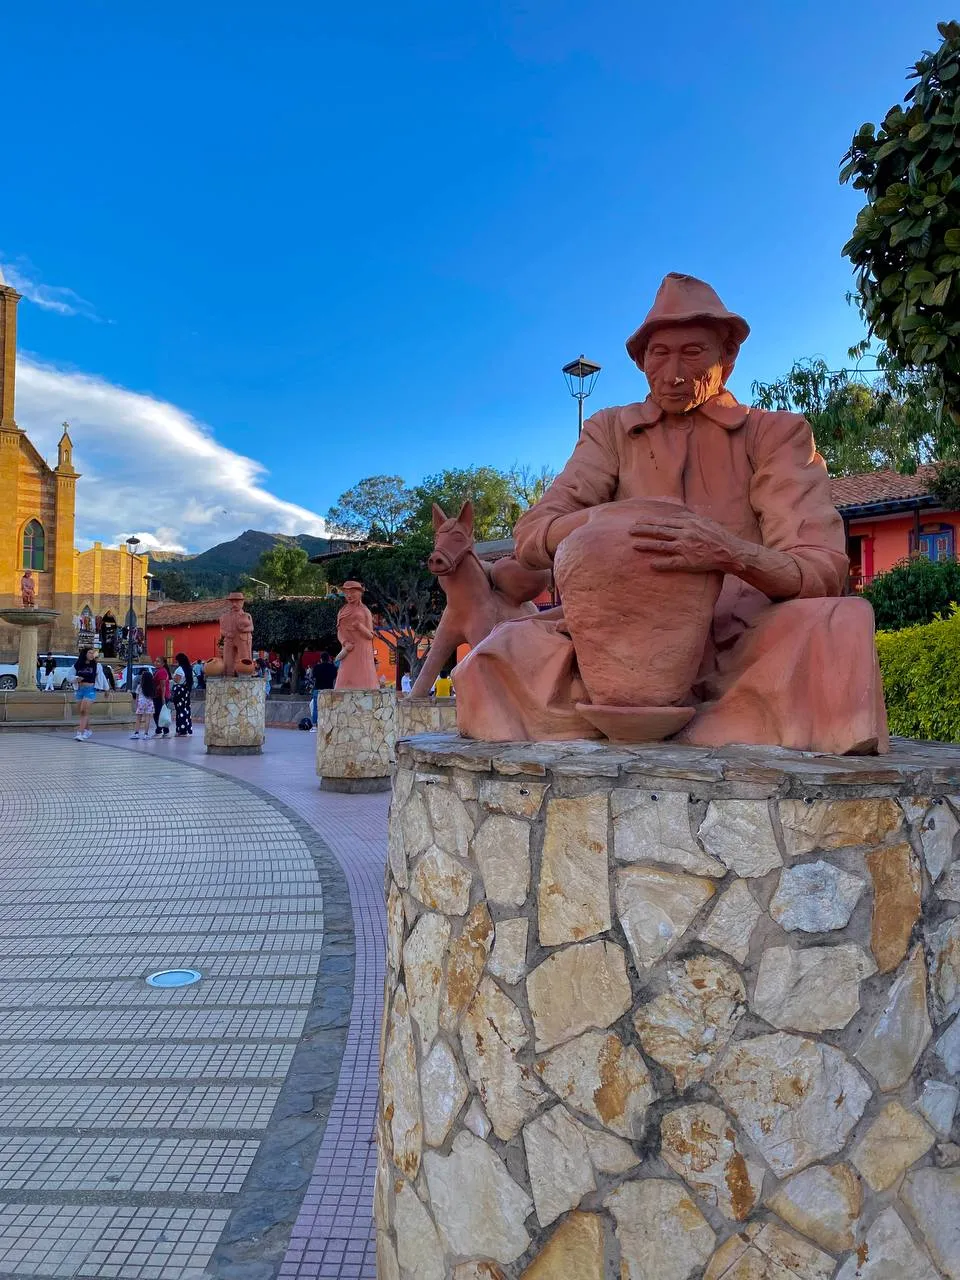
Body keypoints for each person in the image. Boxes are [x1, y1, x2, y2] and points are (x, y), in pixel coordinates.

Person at [455, 273, 888, 754]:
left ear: (727, 357)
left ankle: (725, 719)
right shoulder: (611, 431)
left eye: (693, 353)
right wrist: (605, 522)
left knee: (842, 624)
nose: (674, 373)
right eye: (660, 355)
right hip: (614, 637)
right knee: (493, 659)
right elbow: (532, 534)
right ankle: (717, 721)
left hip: (741, 637)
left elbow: (820, 568)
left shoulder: (774, 434)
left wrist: (729, 553)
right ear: (641, 362)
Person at [73, 646, 98, 740]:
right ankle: (88, 730)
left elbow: (98, 676)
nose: (92, 655)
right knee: (82, 712)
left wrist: (106, 688)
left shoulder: (94, 664)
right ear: (85, 654)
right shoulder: (78, 664)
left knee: (84, 710)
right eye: (90, 653)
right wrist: (76, 678)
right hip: (80, 689)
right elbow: (71, 674)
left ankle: (80, 732)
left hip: (90, 689)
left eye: (93, 653)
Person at [310, 651, 338, 726]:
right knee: (329, 707)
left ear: (321, 659)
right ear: (329, 658)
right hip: (329, 690)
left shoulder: (316, 667)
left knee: (316, 707)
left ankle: (315, 725)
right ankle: (327, 724)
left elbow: (313, 677)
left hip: (318, 689)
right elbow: (335, 678)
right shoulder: (333, 668)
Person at [172, 652, 193, 736]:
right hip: (186, 691)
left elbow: (177, 680)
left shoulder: (180, 669)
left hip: (179, 691)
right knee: (186, 710)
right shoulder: (188, 668)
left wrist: (173, 677)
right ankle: (186, 728)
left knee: (180, 711)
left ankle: (181, 730)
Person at [131, 668, 156, 740]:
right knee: (147, 719)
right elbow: (153, 696)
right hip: (149, 702)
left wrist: (136, 705)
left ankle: (136, 733)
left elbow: (137, 696)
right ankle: (146, 734)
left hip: (141, 702)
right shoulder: (152, 687)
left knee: (138, 718)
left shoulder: (140, 686)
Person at [153, 659, 171, 737]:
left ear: (163, 663)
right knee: (160, 713)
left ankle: (160, 730)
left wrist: (163, 697)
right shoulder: (159, 671)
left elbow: (163, 685)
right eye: (155, 661)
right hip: (159, 696)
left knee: (158, 714)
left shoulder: (161, 672)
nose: (156, 662)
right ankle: (164, 731)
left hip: (161, 696)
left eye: (158, 661)